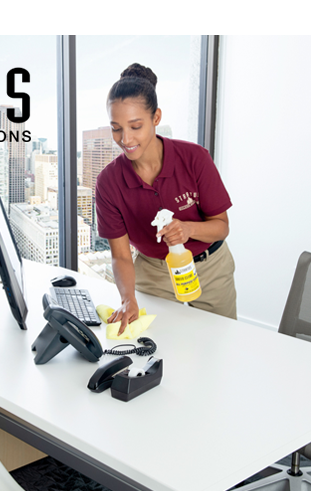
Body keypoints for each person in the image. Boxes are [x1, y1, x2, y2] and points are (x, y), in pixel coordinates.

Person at [95, 63, 237, 336]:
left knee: (220, 346)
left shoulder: (195, 158)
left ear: (156, 117)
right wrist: (127, 298)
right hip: (154, 274)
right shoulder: (109, 182)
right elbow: (121, 255)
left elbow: (222, 226)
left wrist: (189, 229)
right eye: (116, 128)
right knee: (157, 348)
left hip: (210, 269)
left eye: (135, 126)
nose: (125, 139)